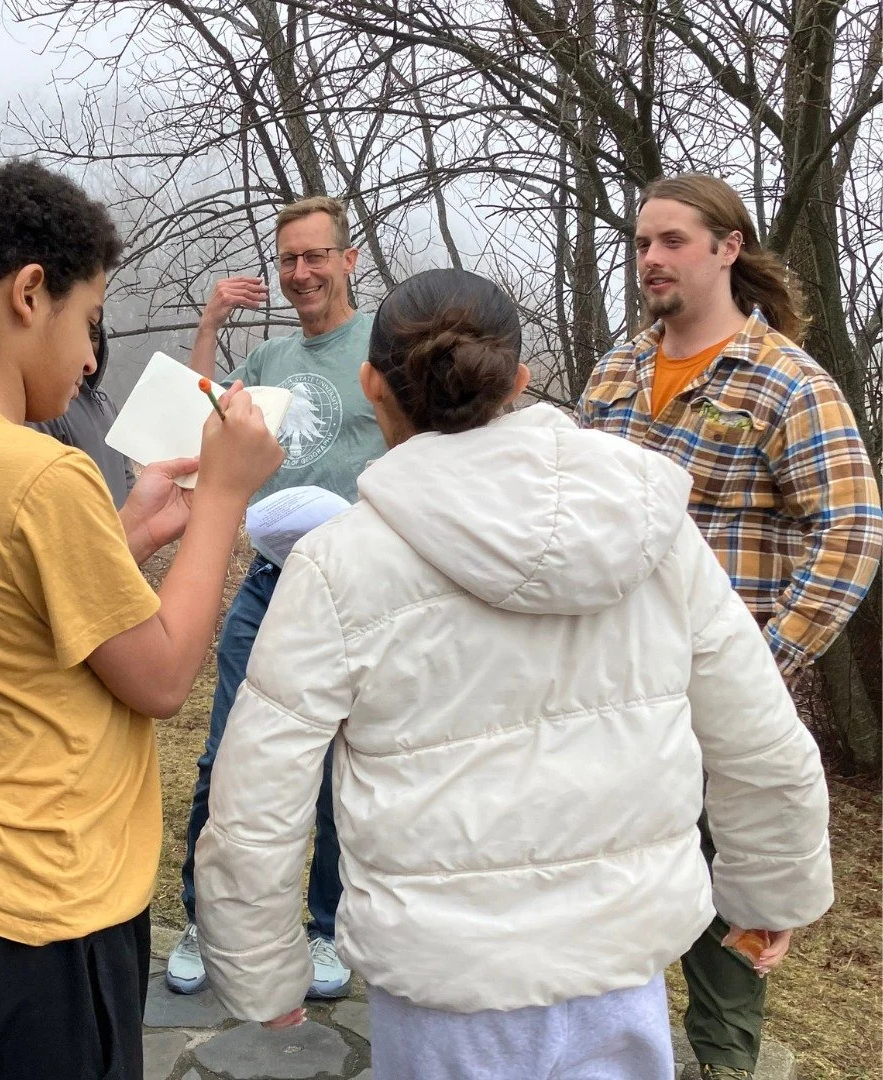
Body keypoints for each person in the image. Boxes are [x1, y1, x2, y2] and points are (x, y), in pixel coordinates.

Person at [191, 267, 834, 1080]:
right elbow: (758, 734)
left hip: (440, 984)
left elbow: (259, 792)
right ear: (520, 379)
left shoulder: (338, 563)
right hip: (618, 964)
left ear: (371, 384)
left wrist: (260, 968)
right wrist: (770, 892)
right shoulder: (649, 526)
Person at [0, 159, 283, 1080]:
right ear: (29, 293)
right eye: (88, 321)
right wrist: (222, 499)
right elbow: (162, 676)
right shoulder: (42, 476)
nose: (91, 358)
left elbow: (0, 604)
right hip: (45, 907)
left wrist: (133, 532)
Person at [575, 174, 882, 1079]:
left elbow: (853, 530)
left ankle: (723, 1061)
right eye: (642, 243)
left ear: (727, 247)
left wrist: (766, 658)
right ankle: (598, 1045)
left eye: (672, 240)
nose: (652, 259)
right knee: (608, 872)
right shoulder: (616, 373)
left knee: (732, 885)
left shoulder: (787, 381)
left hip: (724, 695)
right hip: (614, 685)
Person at [168, 196, 386, 998]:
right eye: (289, 259)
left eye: (316, 256)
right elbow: (203, 424)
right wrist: (209, 323)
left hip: (356, 588)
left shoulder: (383, 345)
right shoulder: (267, 358)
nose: (301, 273)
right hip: (269, 583)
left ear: (348, 260)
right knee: (224, 755)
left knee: (338, 766)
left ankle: (325, 930)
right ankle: (205, 920)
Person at [30, 318, 135, 507]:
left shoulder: (105, 400)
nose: (87, 346)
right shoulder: (47, 407)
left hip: (121, 524)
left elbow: (125, 470)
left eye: (94, 337)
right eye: (81, 334)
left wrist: (133, 511)